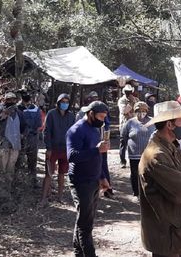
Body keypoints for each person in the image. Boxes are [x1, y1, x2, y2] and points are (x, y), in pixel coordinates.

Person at [139, 101, 181, 257]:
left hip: (177, 230)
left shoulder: (172, 146)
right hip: (165, 234)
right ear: (169, 125)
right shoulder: (156, 155)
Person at [67, 101, 111, 257]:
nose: (103, 120)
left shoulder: (95, 129)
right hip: (80, 181)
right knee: (86, 224)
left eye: (105, 117)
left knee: (85, 218)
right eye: (100, 116)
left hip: (93, 181)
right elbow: (71, 156)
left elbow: (97, 156)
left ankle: (78, 252)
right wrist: (96, 149)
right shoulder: (76, 130)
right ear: (91, 113)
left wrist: (103, 177)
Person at [76, 92, 114, 198]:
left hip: (101, 143)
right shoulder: (80, 120)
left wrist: (106, 139)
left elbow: (107, 126)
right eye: (92, 98)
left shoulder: (103, 113)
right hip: (88, 148)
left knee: (103, 165)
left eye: (96, 98)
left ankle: (107, 189)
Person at [41, 93, 76, 205]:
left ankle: (60, 197)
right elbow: (47, 131)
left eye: (66, 102)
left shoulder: (71, 116)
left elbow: (73, 132)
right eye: (62, 102)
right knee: (49, 174)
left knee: (62, 174)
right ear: (58, 102)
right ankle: (44, 198)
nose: (64, 104)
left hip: (66, 150)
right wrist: (48, 147)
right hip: (53, 149)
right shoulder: (51, 114)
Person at [120, 102, 155, 197]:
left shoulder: (153, 122)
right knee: (135, 175)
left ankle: (147, 193)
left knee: (149, 174)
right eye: (138, 110)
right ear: (135, 111)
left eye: (143, 110)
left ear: (147, 111)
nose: (141, 112)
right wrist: (122, 156)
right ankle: (136, 193)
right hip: (134, 155)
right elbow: (123, 138)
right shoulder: (130, 123)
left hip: (149, 155)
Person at [0, 92, 27, 174]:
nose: (11, 101)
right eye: (9, 99)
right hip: (3, 144)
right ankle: (0, 186)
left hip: (15, 145)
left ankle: (8, 185)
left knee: (10, 169)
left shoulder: (20, 113)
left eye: (13, 99)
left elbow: (25, 126)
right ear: (5, 100)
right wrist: (2, 115)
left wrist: (22, 136)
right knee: (1, 169)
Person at [18, 93, 43, 183]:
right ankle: (17, 181)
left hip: (32, 137)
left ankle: (32, 180)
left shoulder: (35, 109)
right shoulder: (18, 108)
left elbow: (39, 124)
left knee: (32, 159)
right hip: (20, 138)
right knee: (19, 159)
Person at [118, 84, 138, 168]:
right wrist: (132, 103)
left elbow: (139, 109)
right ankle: (122, 161)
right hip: (124, 124)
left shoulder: (136, 99)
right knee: (123, 143)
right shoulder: (121, 100)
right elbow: (124, 111)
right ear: (124, 92)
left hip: (134, 124)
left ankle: (134, 160)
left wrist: (134, 102)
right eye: (127, 92)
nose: (128, 93)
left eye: (130, 92)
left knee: (134, 142)